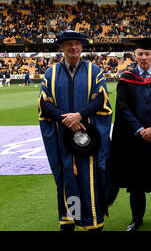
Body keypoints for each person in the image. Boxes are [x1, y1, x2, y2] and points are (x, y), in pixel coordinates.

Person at [38, 30, 113, 231]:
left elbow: (100, 99)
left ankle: (92, 222)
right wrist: (67, 119)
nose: (73, 47)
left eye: (77, 44)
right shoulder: (50, 73)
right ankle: (70, 219)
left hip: (89, 140)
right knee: (67, 178)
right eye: (69, 44)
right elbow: (45, 105)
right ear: (62, 47)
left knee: (90, 179)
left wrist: (78, 116)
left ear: (82, 47)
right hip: (64, 139)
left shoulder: (94, 71)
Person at [109, 38, 151, 231]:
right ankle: (137, 219)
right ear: (134, 56)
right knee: (136, 182)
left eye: (147, 54)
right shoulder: (126, 78)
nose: (144, 57)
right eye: (140, 54)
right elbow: (123, 108)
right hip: (134, 139)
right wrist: (140, 129)